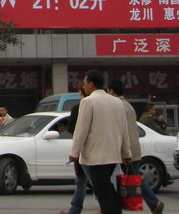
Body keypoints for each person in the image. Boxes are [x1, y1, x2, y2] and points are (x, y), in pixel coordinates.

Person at [68, 70, 131, 214]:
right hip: (113, 155)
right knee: (106, 188)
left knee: (102, 191)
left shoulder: (88, 101)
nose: (84, 86)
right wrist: (126, 153)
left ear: (91, 84)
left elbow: (81, 130)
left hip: (95, 156)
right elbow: (124, 130)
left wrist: (74, 153)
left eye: (85, 83)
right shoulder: (117, 102)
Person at [107, 80, 163, 214]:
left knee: (126, 178)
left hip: (126, 150)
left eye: (107, 91)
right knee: (134, 177)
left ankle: (112, 207)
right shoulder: (128, 105)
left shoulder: (116, 106)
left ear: (112, 91)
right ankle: (154, 203)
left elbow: (120, 130)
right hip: (133, 147)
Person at [63, 84, 89, 214]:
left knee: (81, 181)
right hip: (98, 149)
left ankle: (75, 209)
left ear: (80, 92)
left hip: (82, 150)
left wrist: (74, 152)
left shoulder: (79, 107)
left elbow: (72, 129)